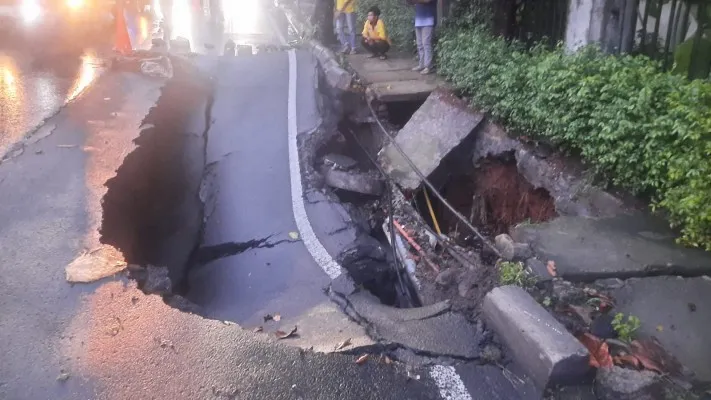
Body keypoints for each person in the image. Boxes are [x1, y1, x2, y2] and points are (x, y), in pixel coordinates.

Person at [409, 0, 436, 74]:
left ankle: (428, 67)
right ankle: (421, 65)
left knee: (426, 44)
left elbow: (427, 1)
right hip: (418, 21)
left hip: (428, 21)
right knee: (420, 44)